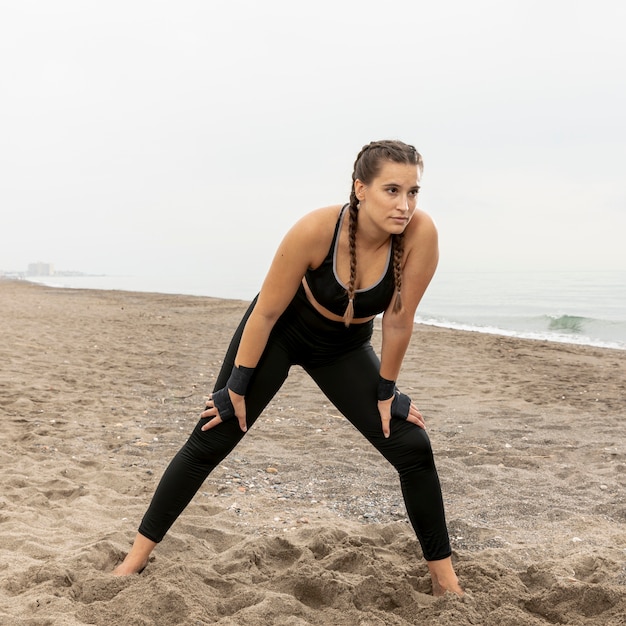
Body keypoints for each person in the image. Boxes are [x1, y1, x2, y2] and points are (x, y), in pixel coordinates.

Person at [112, 140, 463, 596]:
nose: (404, 204)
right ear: (361, 188)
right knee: (214, 432)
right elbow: (266, 314)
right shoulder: (316, 229)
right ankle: (133, 561)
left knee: (412, 445)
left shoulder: (420, 234)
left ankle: (444, 580)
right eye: (392, 190)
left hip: (343, 348)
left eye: (413, 192)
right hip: (280, 333)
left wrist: (386, 390)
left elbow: (398, 320)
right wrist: (237, 385)